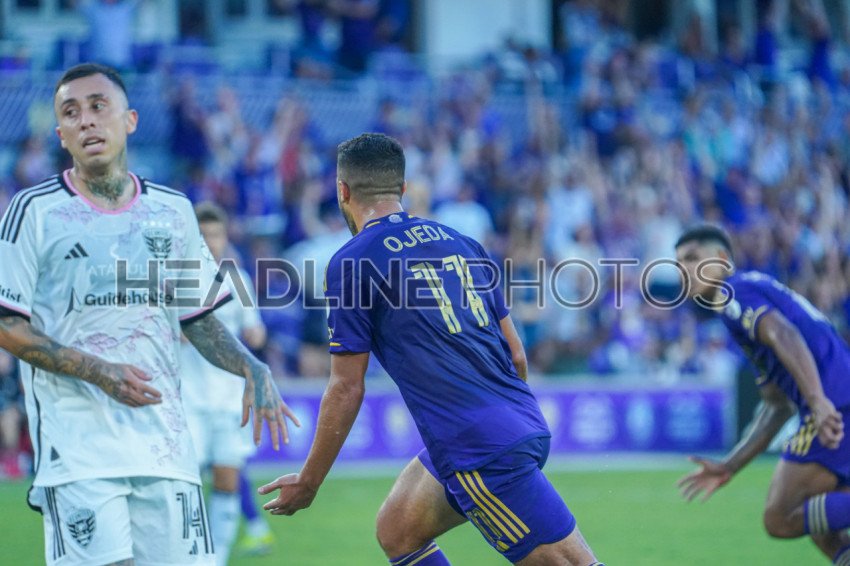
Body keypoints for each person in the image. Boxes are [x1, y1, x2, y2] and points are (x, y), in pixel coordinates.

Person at [0, 62, 298, 566]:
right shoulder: (33, 211)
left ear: (130, 120)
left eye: (99, 106)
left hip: (166, 447)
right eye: (71, 113)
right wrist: (100, 371)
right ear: (61, 134)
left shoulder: (173, 210)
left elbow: (198, 317)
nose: (86, 120)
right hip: (79, 452)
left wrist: (252, 366)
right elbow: (7, 323)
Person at [259, 133, 603, 566]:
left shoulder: (352, 262)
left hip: (477, 448)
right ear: (402, 189)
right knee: (398, 528)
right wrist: (506, 423)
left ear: (342, 191)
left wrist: (309, 481)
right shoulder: (463, 242)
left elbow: (346, 388)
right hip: (521, 421)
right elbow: (516, 354)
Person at [675, 224, 850, 563]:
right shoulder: (749, 295)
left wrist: (817, 401)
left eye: (693, 258)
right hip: (838, 398)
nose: (684, 269)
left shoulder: (732, 292)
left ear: (721, 258)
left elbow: (784, 334)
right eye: (679, 263)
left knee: (780, 517)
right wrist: (730, 466)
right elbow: (776, 406)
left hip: (835, 403)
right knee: (818, 520)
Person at [180, 202, 272, 565]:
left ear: (225, 237)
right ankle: (183, 553)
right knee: (185, 483)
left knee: (228, 479)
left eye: (215, 234)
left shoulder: (238, 279)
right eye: (202, 235)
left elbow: (256, 331)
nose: (209, 242)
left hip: (230, 399)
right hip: (188, 398)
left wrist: (252, 333)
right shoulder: (177, 279)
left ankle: (214, 559)